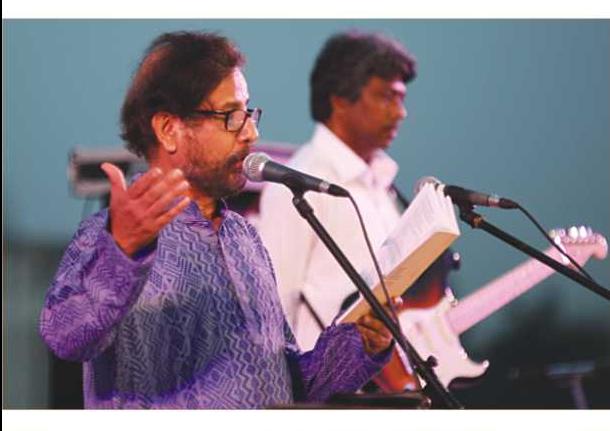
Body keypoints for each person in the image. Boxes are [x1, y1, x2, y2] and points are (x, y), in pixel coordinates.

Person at [39, 31, 394, 409]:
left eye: (248, 112)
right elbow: (64, 336)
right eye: (231, 116)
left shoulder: (245, 238)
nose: (251, 132)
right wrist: (122, 253)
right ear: (169, 130)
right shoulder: (108, 234)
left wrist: (359, 345)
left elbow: (285, 386)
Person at [258, 31, 424, 352]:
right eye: (386, 97)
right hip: (327, 382)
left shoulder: (382, 184)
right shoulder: (300, 182)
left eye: (401, 98)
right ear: (340, 100)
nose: (400, 112)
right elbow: (274, 309)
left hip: (391, 375)